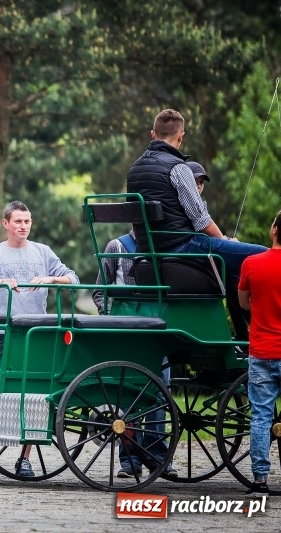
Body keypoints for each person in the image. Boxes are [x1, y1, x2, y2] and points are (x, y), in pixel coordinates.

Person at [0, 201, 79, 479]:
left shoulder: (43, 252)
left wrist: (50, 279)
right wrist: (3, 281)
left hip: (38, 335)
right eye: (18, 221)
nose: (23, 226)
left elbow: (72, 277)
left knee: (37, 397)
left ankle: (25, 460)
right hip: (5, 333)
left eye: (27, 221)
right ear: (6, 223)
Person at [126, 109, 266, 341]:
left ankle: (244, 336)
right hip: (183, 248)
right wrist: (223, 241)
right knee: (261, 256)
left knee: (230, 269)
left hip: (149, 254)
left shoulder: (134, 170)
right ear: (180, 136)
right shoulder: (178, 168)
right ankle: (262, 332)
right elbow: (200, 220)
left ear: (153, 134)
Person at [91, 231, 177, 478]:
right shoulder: (116, 247)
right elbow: (100, 291)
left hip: (157, 330)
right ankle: (129, 461)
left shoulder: (167, 248)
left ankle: (159, 459)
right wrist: (112, 318)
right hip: (124, 330)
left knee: (159, 393)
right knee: (124, 394)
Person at [238, 209, 281, 497]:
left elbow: (243, 303)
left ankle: (260, 480)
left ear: (274, 230)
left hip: (263, 351)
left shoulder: (251, 263)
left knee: (261, 416)